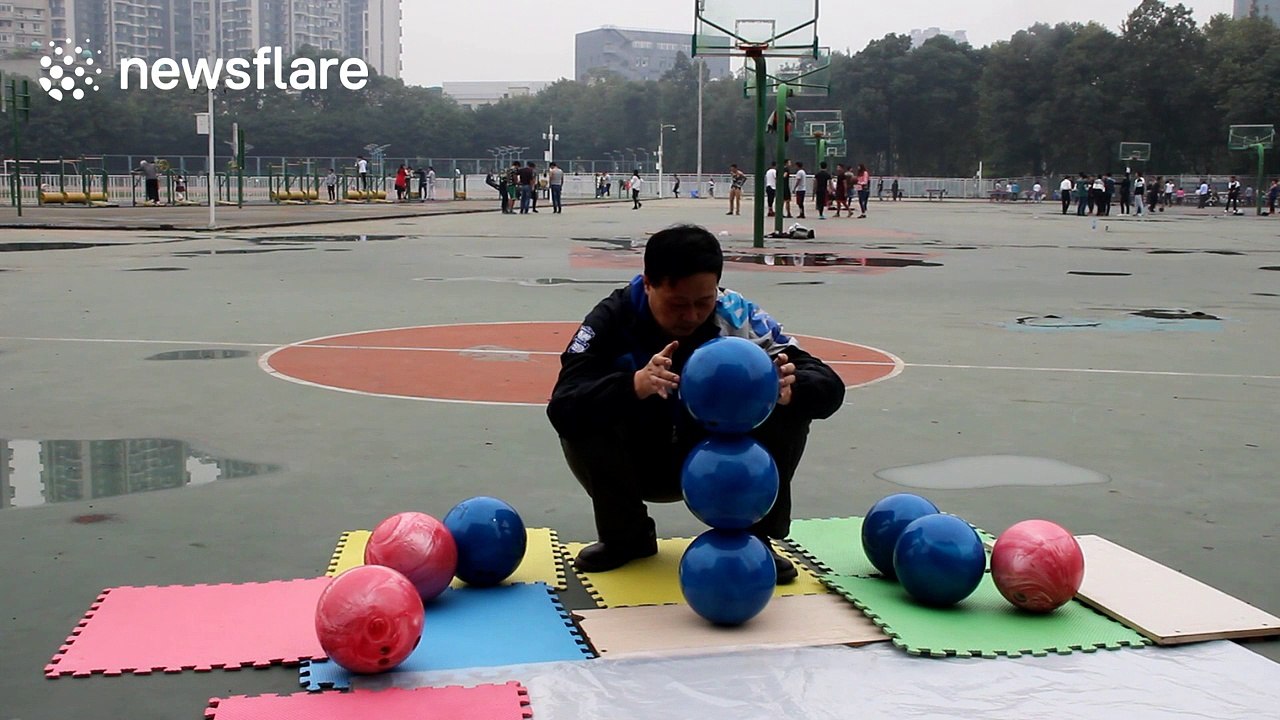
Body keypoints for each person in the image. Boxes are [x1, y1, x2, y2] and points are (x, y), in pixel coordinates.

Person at [547, 225, 846, 581]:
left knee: (787, 405)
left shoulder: (736, 316)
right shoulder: (612, 319)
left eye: (703, 302)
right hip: (637, 460)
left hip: (714, 456)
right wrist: (633, 385)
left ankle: (755, 538)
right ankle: (626, 536)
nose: (691, 316)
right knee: (584, 416)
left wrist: (794, 389)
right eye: (677, 304)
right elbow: (562, 405)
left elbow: (829, 385)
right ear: (648, 283)